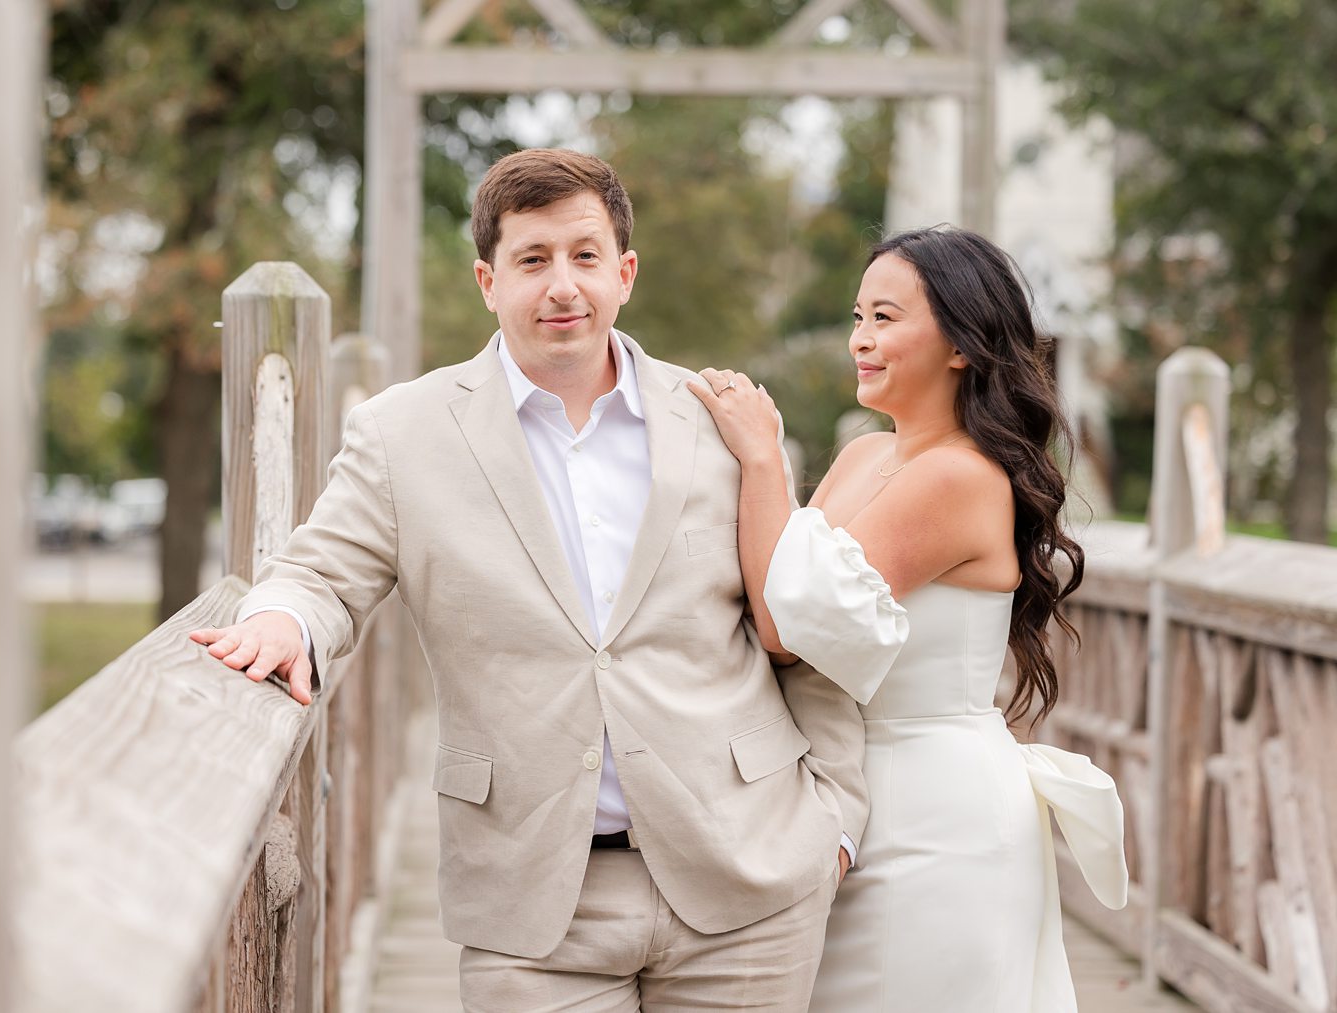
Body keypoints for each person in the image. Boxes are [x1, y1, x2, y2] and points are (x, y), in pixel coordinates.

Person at [191, 148, 866, 1011]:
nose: (562, 286)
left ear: (624, 273)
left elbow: (806, 631)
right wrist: (282, 619)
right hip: (530, 899)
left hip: (749, 877)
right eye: (532, 259)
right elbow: (321, 569)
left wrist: (835, 824)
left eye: (585, 257)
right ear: (488, 279)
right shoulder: (403, 433)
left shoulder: (718, 420)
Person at [689, 225, 1128, 1012]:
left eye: (886, 318)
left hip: (937, 815)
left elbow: (791, 630)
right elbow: (778, 577)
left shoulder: (961, 477)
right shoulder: (864, 455)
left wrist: (763, 460)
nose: (861, 339)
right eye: (859, 317)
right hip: (849, 795)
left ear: (961, 343)